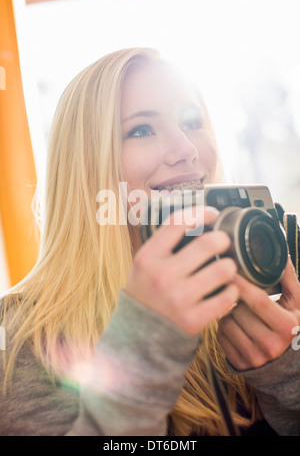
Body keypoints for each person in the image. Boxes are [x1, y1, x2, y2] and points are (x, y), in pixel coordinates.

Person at [0, 47, 299, 436]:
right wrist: (144, 351)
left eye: (192, 122)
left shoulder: (270, 280)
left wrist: (288, 370)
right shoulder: (19, 334)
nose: (187, 151)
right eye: (141, 130)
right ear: (86, 165)